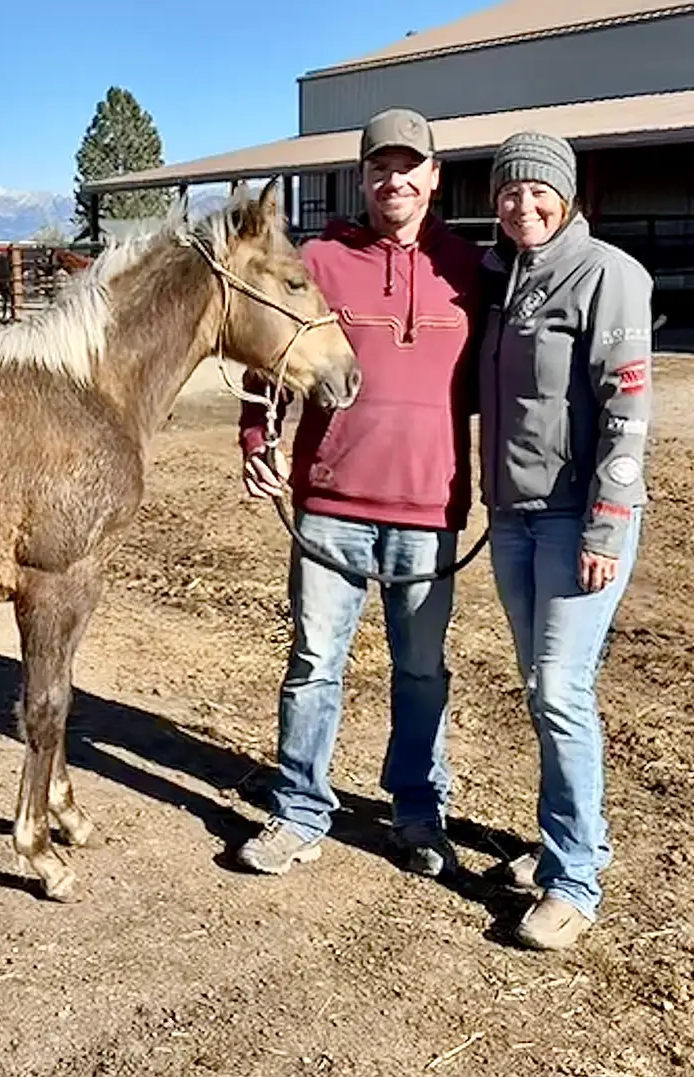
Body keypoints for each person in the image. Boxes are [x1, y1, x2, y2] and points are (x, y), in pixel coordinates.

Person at [234, 107, 484, 878]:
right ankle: (300, 809)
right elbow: (265, 358)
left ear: (434, 177)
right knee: (314, 663)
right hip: (331, 503)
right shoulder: (320, 261)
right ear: (364, 176)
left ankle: (416, 809)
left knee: (421, 669)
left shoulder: (470, 269)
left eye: (409, 166)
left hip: (428, 507)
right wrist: (256, 437)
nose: (394, 180)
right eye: (380, 167)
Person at [477, 131, 653, 950]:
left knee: (559, 687)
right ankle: (571, 841)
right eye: (510, 191)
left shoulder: (608, 275)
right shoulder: (507, 276)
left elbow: (626, 410)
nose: (522, 204)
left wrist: (608, 523)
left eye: (538, 190)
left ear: (569, 193)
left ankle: (574, 880)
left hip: (578, 516)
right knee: (545, 686)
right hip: (514, 516)